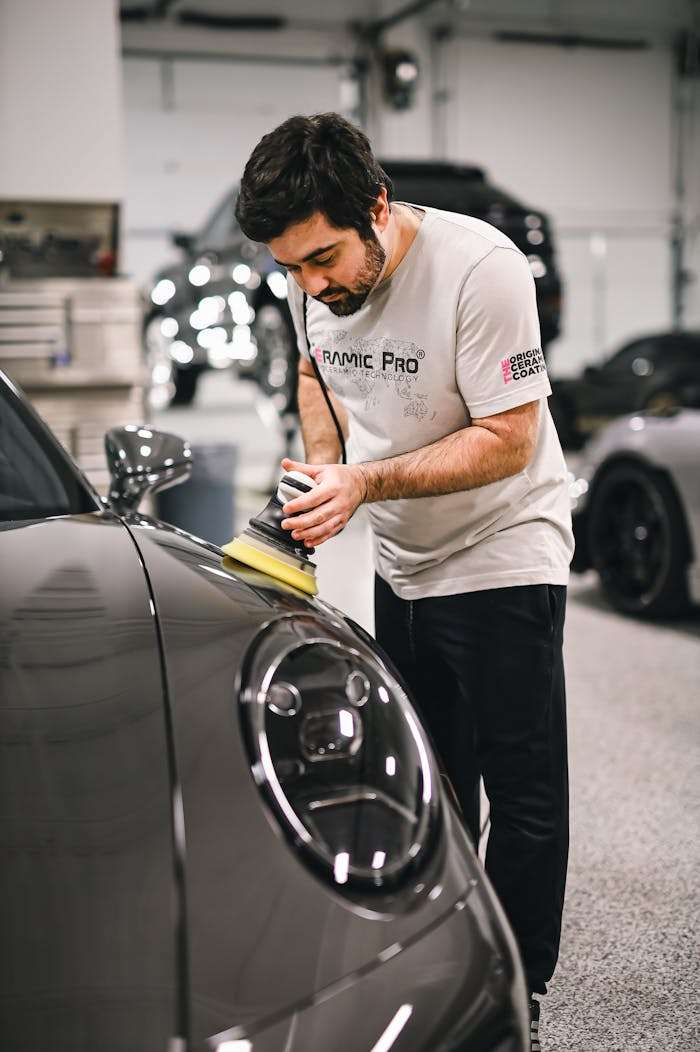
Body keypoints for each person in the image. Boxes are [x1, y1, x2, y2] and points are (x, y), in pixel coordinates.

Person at [235, 113, 573, 1050]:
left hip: (504, 546)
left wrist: (366, 480)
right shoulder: (312, 280)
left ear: (376, 207)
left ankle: (519, 988)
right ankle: (441, 960)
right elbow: (314, 372)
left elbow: (508, 441)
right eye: (291, 266)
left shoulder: (481, 269)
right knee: (428, 777)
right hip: (403, 554)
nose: (309, 284)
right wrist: (319, 467)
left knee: (524, 787)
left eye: (324, 258)